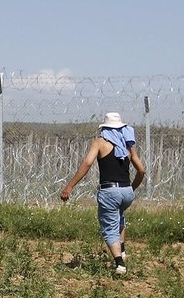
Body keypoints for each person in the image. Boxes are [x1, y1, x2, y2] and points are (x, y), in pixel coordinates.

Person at [60, 112, 146, 275]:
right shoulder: (127, 146)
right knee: (119, 216)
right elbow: (141, 170)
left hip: (109, 191)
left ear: (104, 128)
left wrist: (69, 186)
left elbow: (87, 163)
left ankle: (120, 263)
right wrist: (131, 188)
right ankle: (123, 250)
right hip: (126, 191)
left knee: (109, 227)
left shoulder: (100, 142)